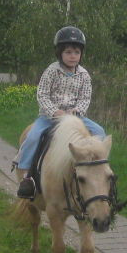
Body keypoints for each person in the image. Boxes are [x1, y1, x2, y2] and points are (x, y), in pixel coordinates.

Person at [15, 26, 106, 199]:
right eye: (68, 52)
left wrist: (76, 111)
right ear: (60, 53)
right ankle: (26, 176)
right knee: (33, 137)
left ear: (81, 54)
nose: (73, 56)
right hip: (50, 118)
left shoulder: (84, 75)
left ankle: (97, 169)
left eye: (76, 52)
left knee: (99, 132)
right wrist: (55, 112)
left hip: (76, 118)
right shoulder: (51, 71)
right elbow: (42, 94)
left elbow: (85, 97)